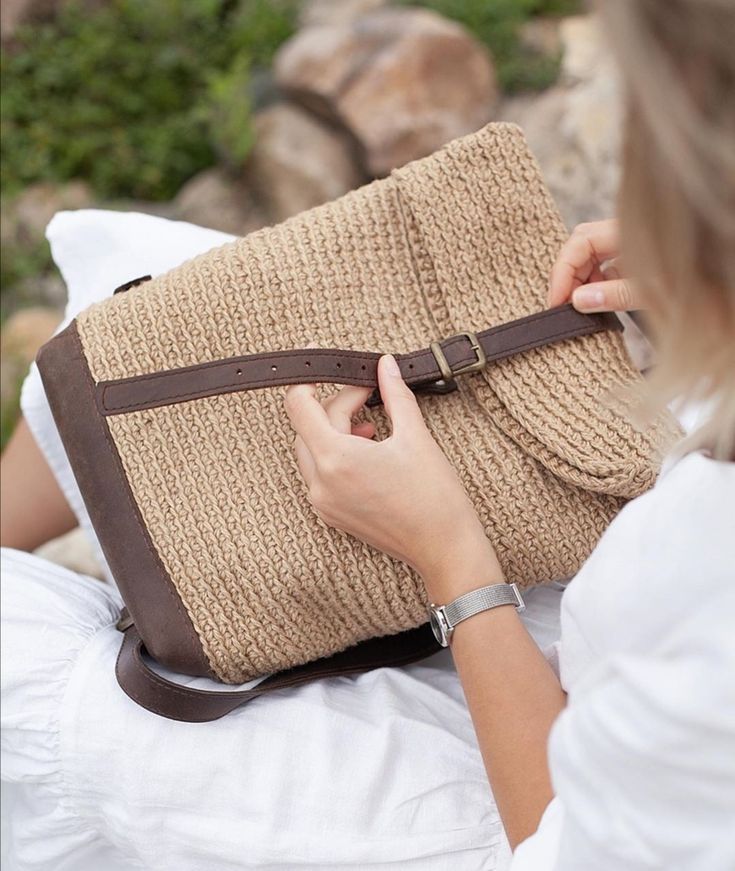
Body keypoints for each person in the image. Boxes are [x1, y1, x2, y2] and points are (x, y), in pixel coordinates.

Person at [2, 0, 733, 868]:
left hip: (536, 797)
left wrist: (450, 557)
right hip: (620, 645)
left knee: (21, 652)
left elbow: (563, 841)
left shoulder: (700, 586)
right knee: (145, 305)